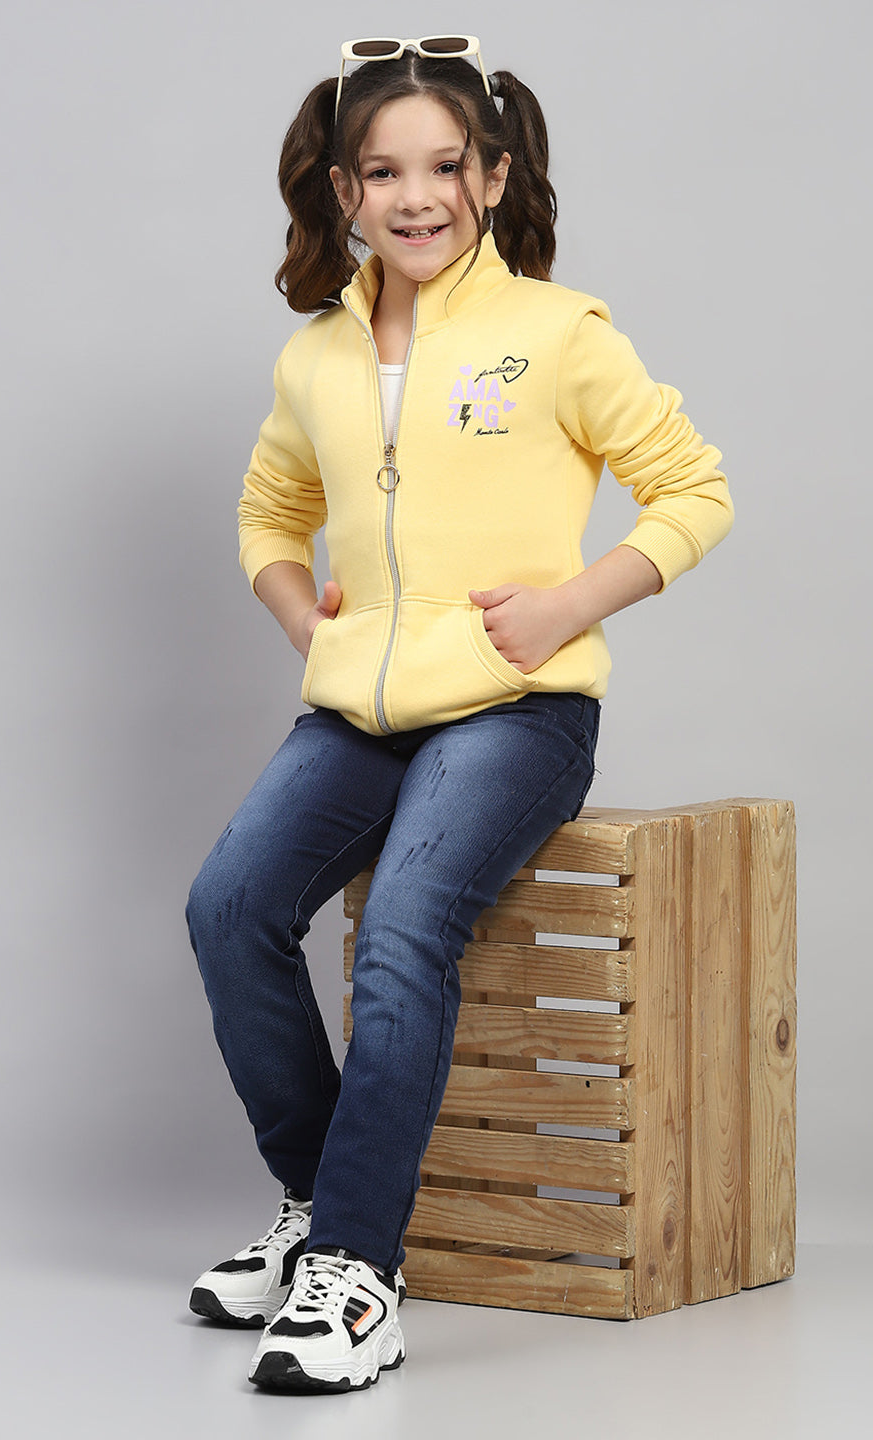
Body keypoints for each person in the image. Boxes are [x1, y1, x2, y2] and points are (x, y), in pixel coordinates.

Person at [185, 36, 733, 1394]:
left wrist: (567, 607)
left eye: (444, 168)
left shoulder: (559, 333)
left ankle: (358, 1276)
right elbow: (268, 512)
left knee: (404, 936)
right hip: (359, 717)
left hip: (516, 710)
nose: (415, 196)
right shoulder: (316, 357)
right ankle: (319, 1204)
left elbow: (695, 491)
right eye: (383, 173)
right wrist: (303, 617)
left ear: (492, 177)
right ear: (342, 191)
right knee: (230, 909)